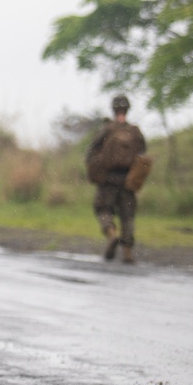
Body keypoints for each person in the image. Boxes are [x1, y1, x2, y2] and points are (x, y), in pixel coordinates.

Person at [86, 94, 147, 264]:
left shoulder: (107, 129)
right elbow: (142, 155)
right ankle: (127, 253)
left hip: (108, 180)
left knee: (103, 209)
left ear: (113, 110)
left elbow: (91, 151)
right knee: (127, 216)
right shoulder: (135, 132)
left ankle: (112, 234)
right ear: (127, 109)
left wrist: (95, 171)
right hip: (128, 180)